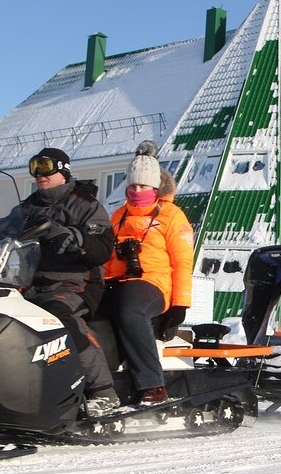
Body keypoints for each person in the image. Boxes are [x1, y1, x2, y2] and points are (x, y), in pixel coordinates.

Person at [20, 147, 119, 414]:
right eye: (34, 167)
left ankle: (103, 390)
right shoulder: (28, 208)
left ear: (62, 170)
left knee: (58, 316)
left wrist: (74, 239)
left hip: (75, 282)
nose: (39, 174)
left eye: (46, 166)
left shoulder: (85, 204)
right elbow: (1, 231)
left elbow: (102, 248)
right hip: (29, 282)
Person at [102, 141, 194, 404]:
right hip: (117, 281)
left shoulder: (172, 216)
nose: (137, 191)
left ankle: (152, 384)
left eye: (143, 186)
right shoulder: (117, 215)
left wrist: (180, 304)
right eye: (132, 185)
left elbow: (182, 262)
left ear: (155, 188)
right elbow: (106, 256)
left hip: (154, 282)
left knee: (131, 308)